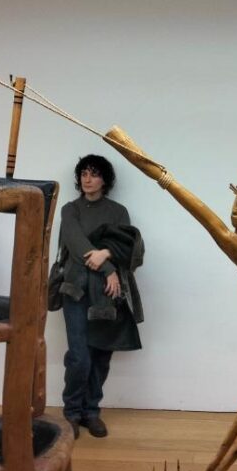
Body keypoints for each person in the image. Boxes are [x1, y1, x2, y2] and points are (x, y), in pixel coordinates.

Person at [58, 154, 143, 439]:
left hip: (108, 293)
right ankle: (71, 413)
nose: (87, 179)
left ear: (104, 180)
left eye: (94, 174)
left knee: (101, 354)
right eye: (84, 173)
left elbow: (128, 245)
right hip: (76, 289)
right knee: (79, 356)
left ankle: (90, 412)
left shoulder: (118, 211)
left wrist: (107, 251)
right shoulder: (70, 210)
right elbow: (75, 243)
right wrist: (108, 267)